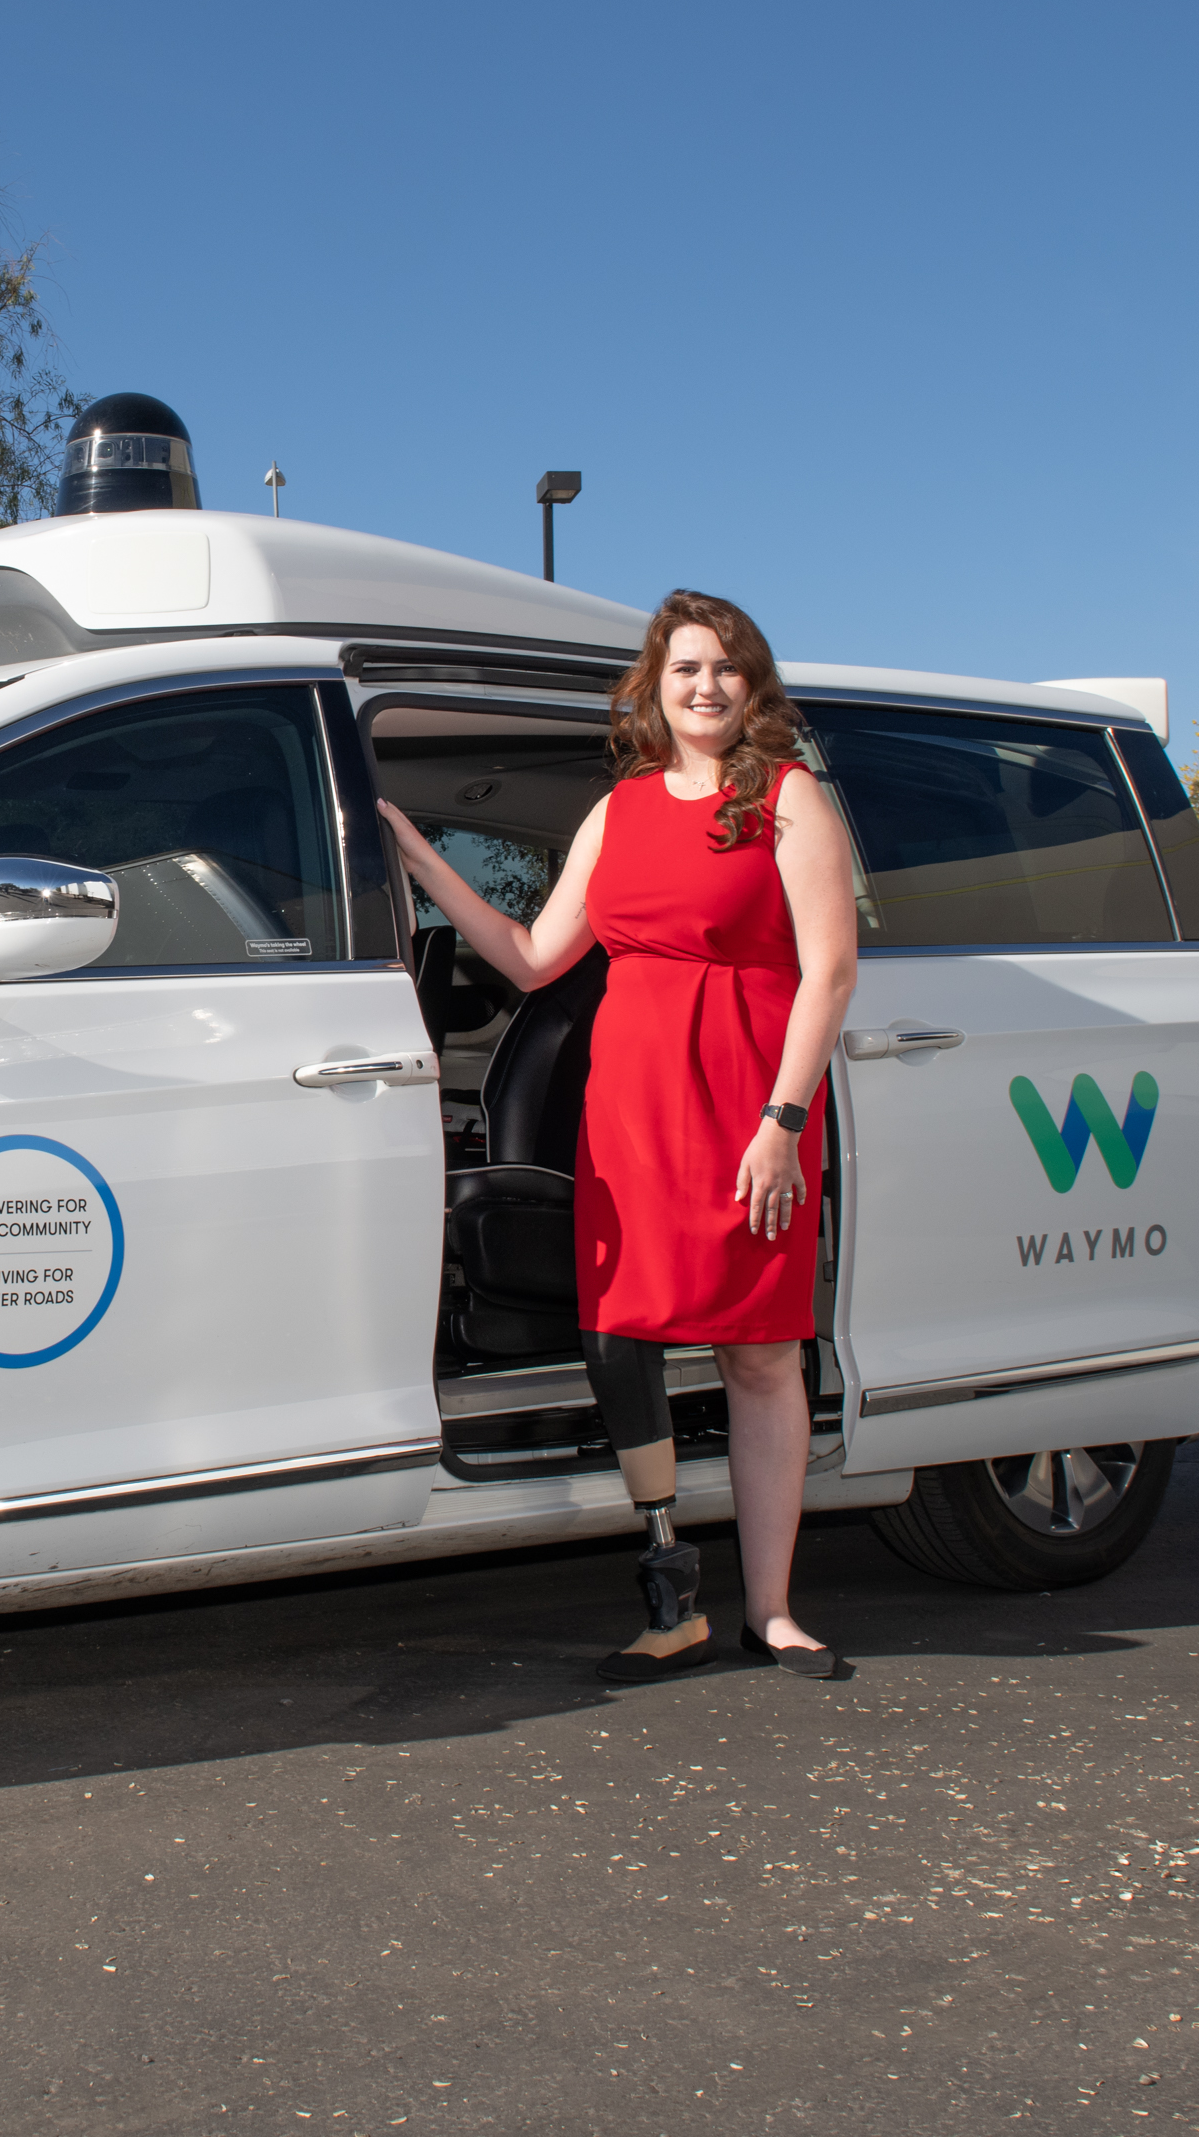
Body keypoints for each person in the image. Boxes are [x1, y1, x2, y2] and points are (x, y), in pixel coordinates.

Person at [380, 590, 860, 1682]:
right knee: (624, 1333)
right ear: (653, 686)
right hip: (632, 1111)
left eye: (727, 670)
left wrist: (784, 1121)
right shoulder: (620, 811)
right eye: (686, 667)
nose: (706, 686)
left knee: (758, 1349)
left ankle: (773, 1610)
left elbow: (829, 971)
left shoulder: (790, 802)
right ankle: (669, 1593)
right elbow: (536, 955)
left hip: (750, 1107)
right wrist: (421, 859)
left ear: (753, 688)